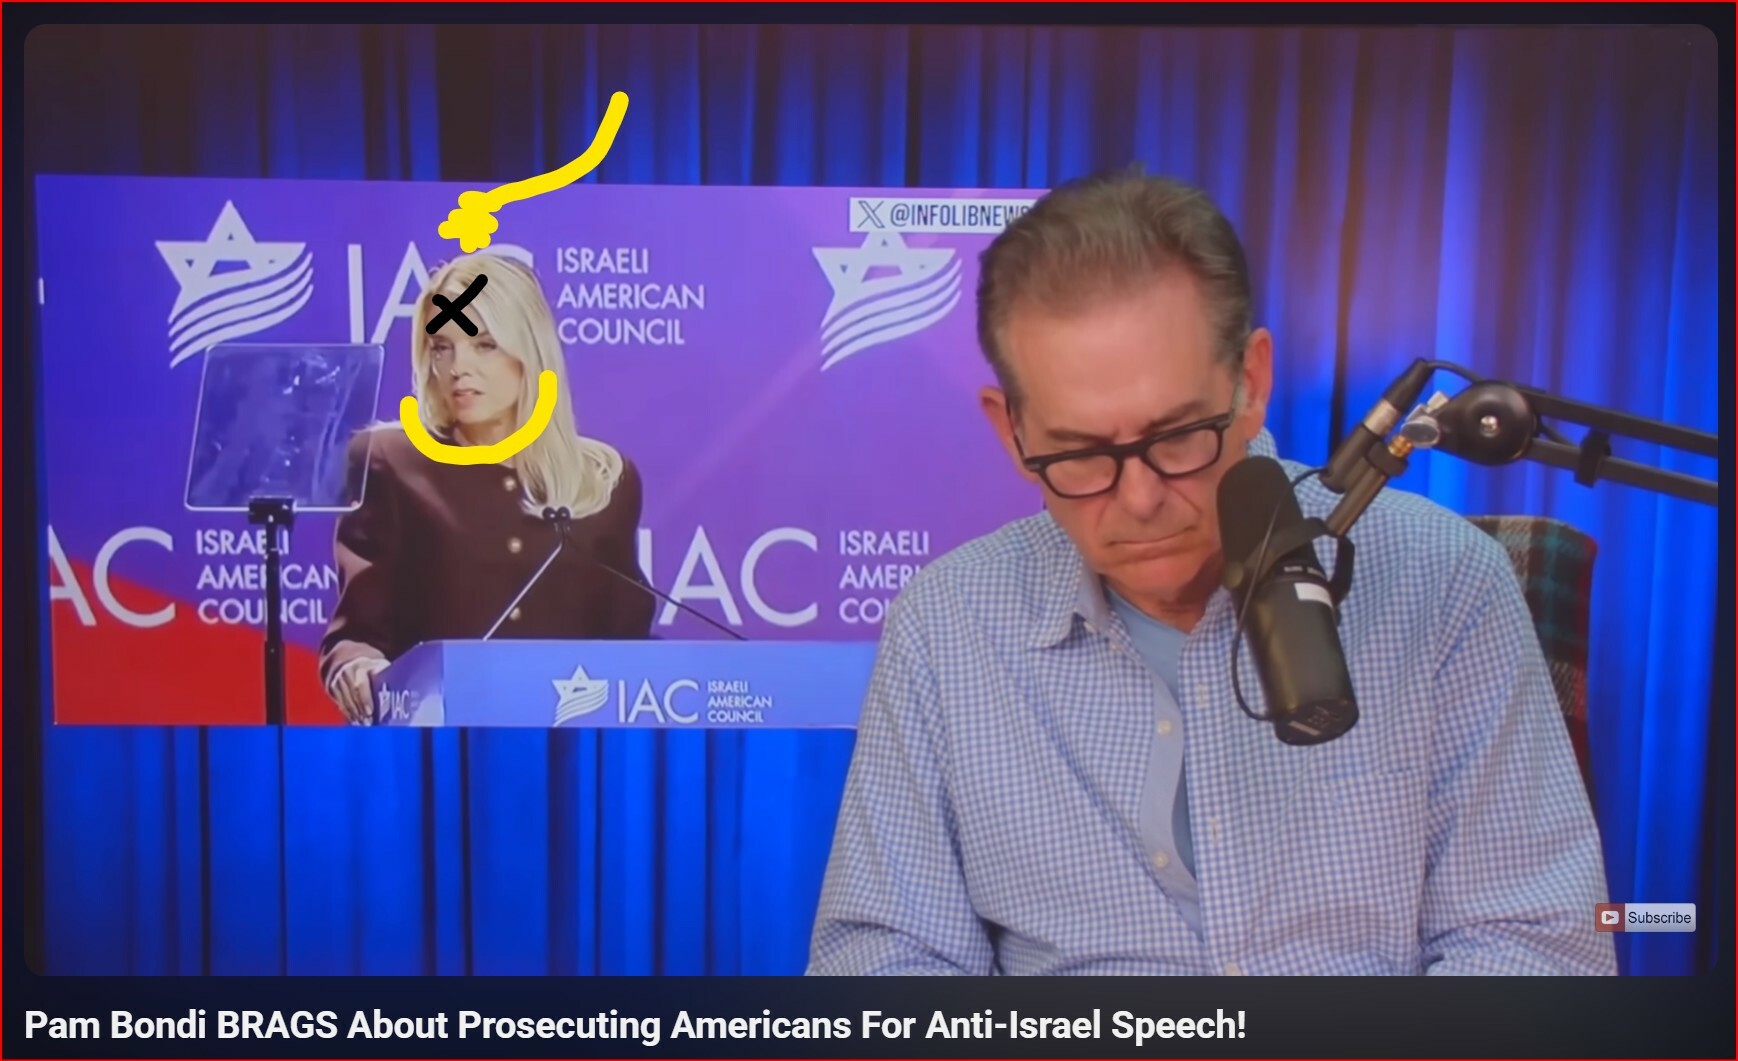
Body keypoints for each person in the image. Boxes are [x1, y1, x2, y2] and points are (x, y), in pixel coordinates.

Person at [808, 169, 1615, 975]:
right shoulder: (947, 625)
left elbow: (1536, 941)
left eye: (1177, 436)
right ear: (1012, 432)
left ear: (1251, 382)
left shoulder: (1443, 581)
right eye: (1080, 453)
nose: (1140, 499)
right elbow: (883, 957)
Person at [320, 253, 655, 723]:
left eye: (484, 345)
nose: (458, 367)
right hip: (439, 745)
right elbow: (357, 635)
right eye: (442, 346)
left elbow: (630, 649)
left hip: (573, 745)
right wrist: (358, 668)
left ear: (529, 353)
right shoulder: (389, 460)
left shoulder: (602, 478)